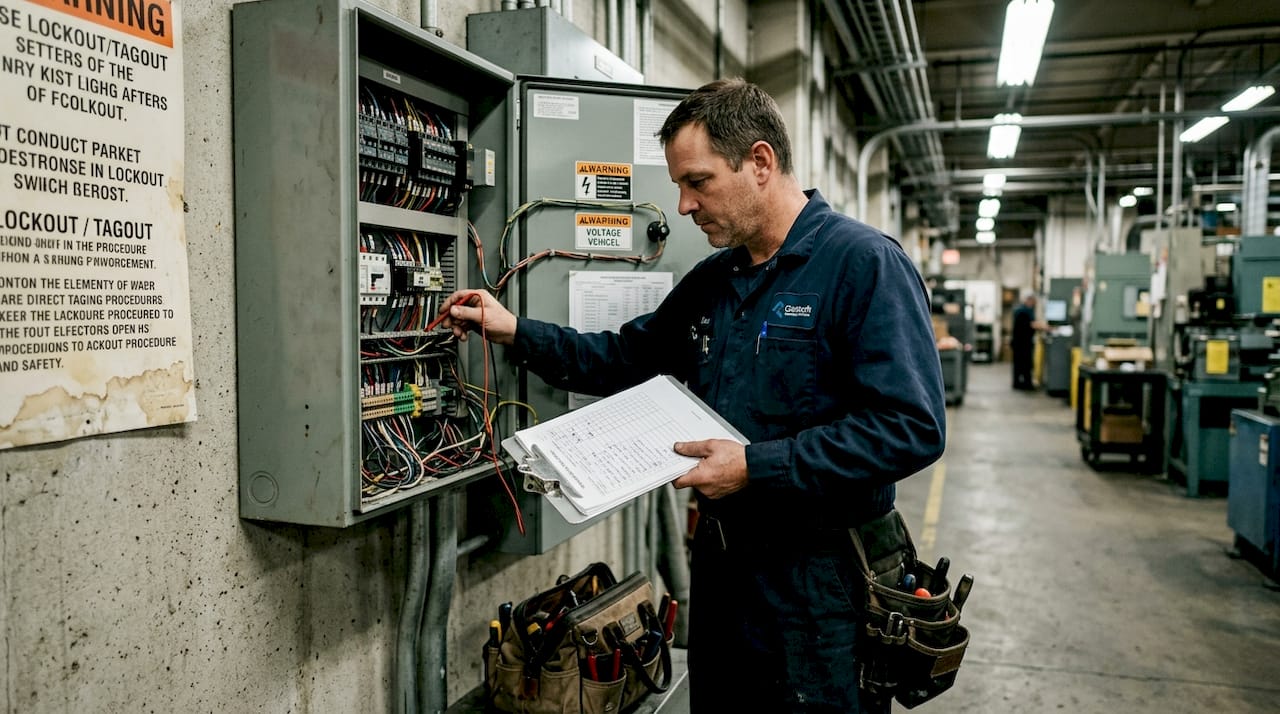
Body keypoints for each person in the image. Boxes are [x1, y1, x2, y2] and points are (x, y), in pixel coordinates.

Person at [438, 78, 945, 713]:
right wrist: (513, 329)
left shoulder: (862, 265)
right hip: (726, 578)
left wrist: (755, 465)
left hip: (821, 591)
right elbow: (626, 357)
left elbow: (911, 427)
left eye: (697, 182)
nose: (681, 206)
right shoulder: (715, 280)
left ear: (759, 163)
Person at [1011, 291, 1039, 390]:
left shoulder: (1021, 310)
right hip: (1022, 343)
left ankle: (1018, 383)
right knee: (1025, 363)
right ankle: (1026, 384)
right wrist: (1047, 327)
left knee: (1019, 364)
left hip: (1020, 342)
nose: (1034, 304)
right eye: (1033, 301)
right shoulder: (1024, 311)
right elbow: (1032, 324)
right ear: (1029, 300)